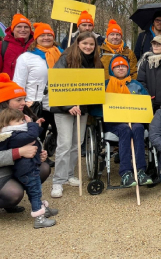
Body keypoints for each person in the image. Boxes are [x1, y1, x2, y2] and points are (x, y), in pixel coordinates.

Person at [50, 32, 104, 198]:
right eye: (85, 44)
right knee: (64, 144)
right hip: (64, 109)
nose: (88, 47)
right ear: (78, 43)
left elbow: (96, 86)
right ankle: (58, 181)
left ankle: (69, 175)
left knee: (77, 142)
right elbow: (55, 83)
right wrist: (68, 105)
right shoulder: (66, 58)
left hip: (83, 108)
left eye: (91, 44)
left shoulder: (96, 62)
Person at [0, 75, 50, 213]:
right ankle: (8, 200)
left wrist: (38, 153)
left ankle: (21, 201)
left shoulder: (21, 116)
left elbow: (31, 139)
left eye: (23, 98)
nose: (24, 102)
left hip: (16, 167)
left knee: (43, 168)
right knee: (13, 194)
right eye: (18, 100)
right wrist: (19, 152)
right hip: (2, 171)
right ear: (5, 102)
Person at [0, 109, 58, 228]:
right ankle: (39, 218)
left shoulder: (14, 132)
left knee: (36, 190)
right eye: (18, 121)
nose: (22, 123)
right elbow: (31, 136)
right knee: (35, 192)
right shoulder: (12, 135)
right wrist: (32, 124)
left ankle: (41, 209)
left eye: (22, 120)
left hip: (25, 168)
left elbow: (34, 141)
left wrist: (39, 155)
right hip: (25, 170)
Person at [101, 55, 152, 187]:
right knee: (124, 129)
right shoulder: (106, 85)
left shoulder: (136, 85)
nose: (120, 68)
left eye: (123, 65)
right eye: (117, 66)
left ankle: (140, 171)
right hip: (114, 123)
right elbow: (98, 105)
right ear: (112, 69)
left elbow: (146, 102)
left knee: (138, 128)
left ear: (128, 68)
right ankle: (126, 173)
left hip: (134, 120)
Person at [13, 23, 63, 148]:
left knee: (61, 135)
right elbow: (18, 83)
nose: (46, 38)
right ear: (36, 38)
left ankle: (48, 151)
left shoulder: (62, 55)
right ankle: (39, 162)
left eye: (49, 35)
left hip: (59, 102)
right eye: (42, 35)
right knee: (36, 136)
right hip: (35, 104)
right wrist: (21, 102)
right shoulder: (26, 58)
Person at [0, 14, 34, 78]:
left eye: (26, 27)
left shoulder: (37, 46)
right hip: (8, 86)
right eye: (19, 27)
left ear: (30, 30)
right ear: (13, 29)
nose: (23, 29)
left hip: (31, 87)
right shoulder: (2, 46)